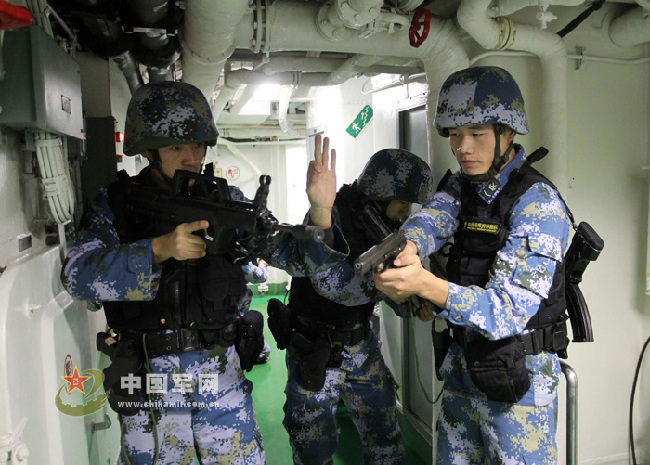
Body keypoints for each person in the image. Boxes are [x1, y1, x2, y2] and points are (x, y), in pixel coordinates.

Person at [60, 81, 343, 465]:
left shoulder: (227, 202)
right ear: (148, 151)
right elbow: (76, 276)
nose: (191, 157)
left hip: (221, 380)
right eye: (176, 147)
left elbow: (299, 261)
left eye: (197, 145)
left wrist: (321, 213)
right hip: (150, 387)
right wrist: (158, 250)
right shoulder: (117, 204)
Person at [373, 66, 571, 464]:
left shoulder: (538, 204)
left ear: (507, 133)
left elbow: (506, 313)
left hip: (519, 385)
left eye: (477, 134)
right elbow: (430, 221)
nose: (463, 147)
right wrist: (407, 249)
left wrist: (426, 286)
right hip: (464, 371)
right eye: (454, 134)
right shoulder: (463, 186)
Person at [272, 148, 433, 464]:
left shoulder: (381, 223)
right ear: (382, 190)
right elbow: (331, 284)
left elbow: (391, 269)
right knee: (313, 448)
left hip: (362, 345)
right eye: (403, 201)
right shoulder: (329, 215)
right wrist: (394, 289)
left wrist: (413, 297)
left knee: (385, 439)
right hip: (316, 347)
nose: (406, 210)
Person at [239, 259, 272, 364]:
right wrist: (262, 264)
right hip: (229, 317)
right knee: (265, 352)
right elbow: (259, 276)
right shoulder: (234, 253)